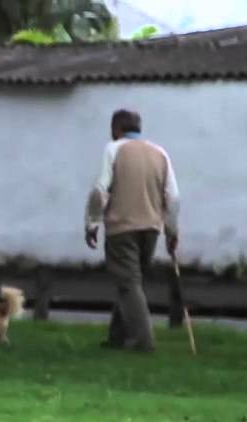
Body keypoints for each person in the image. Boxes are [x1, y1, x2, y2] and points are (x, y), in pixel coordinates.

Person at [85, 108, 181, 352]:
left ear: (116, 128)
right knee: (130, 282)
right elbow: (173, 197)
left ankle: (143, 342)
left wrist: (92, 223)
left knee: (128, 283)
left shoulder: (113, 149)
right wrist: (171, 232)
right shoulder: (160, 153)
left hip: (122, 227)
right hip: (151, 229)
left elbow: (100, 190)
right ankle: (117, 338)